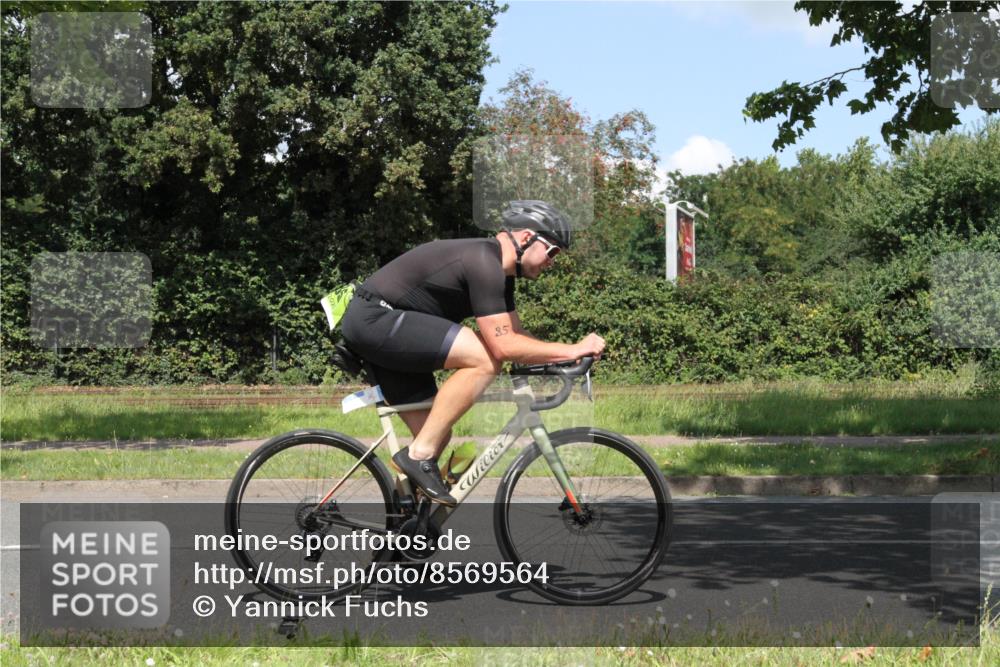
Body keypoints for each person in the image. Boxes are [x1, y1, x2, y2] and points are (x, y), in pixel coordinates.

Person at [340, 200, 605, 506]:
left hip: (384, 327)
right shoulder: (484, 260)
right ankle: (418, 456)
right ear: (527, 237)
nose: (552, 262)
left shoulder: (501, 275)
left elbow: (517, 337)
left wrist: (566, 356)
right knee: (486, 359)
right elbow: (503, 346)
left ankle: (406, 522)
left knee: (438, 434)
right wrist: (573, 348)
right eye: (553, 251)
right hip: (376, 319)